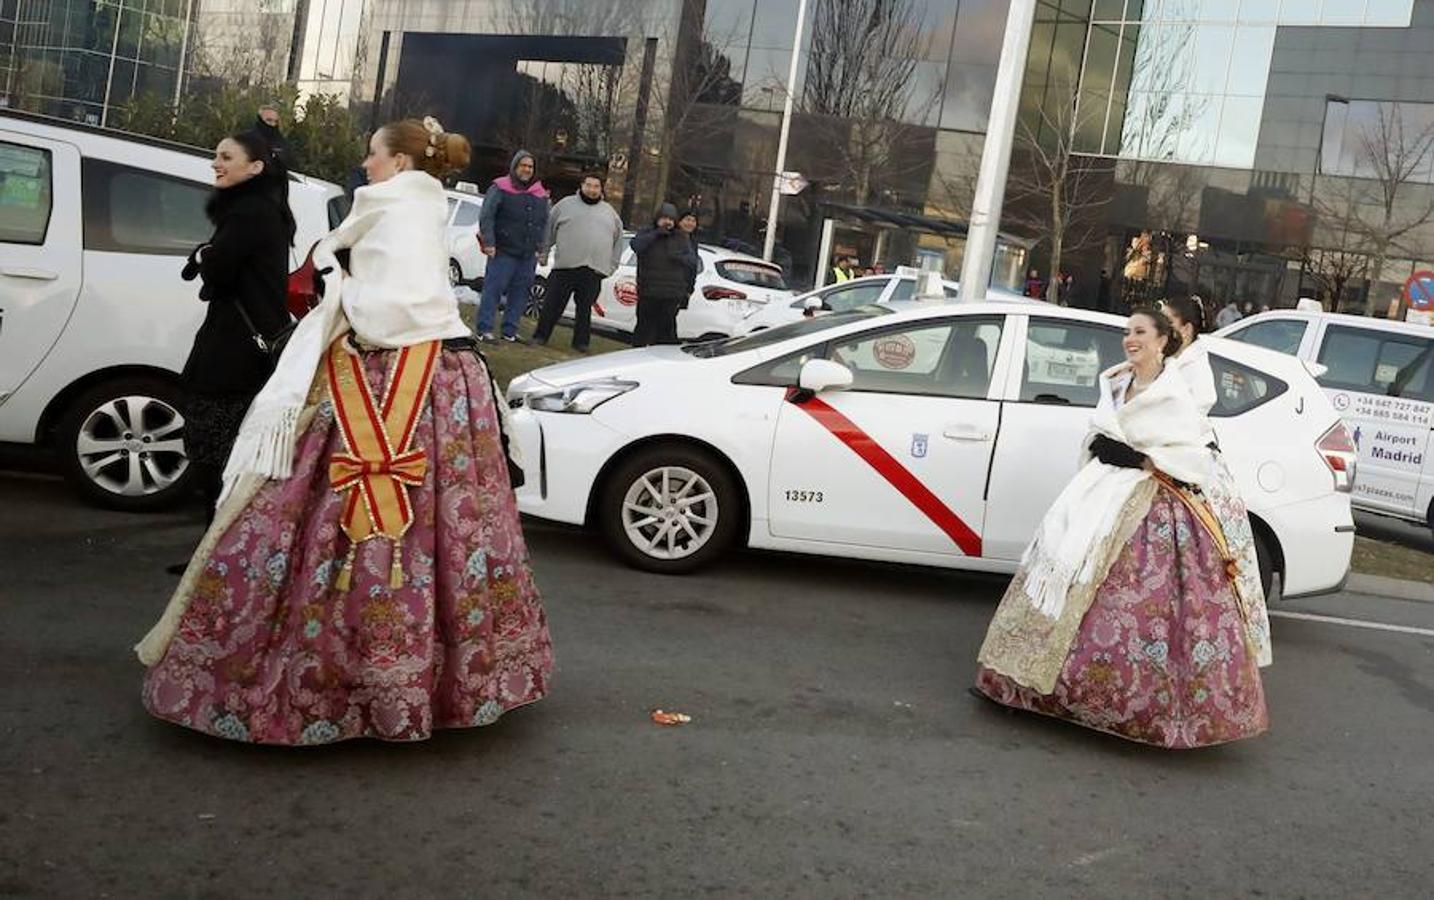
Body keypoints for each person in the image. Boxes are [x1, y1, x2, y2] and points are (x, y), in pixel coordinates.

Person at [137, 117, 554, 745]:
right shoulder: (425, 205)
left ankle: (318, 680)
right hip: (448, 374)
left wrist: (337, 298)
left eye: (373, 154)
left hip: (386, 370)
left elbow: (385, 305)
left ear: (401, 162)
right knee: (452, 520)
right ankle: (451, 678)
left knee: (303, 508)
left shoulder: (387, 206)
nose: (365, 163)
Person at [973, 306, 1268, 748]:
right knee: (1063, 570)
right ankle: (1027, 687)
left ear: (1162, 341)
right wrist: (1107, 448)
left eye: (1141, 332)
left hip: (1150, 506)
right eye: (1128, 332)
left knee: (1139, 604)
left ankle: (1133, 710)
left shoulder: (1173, 392)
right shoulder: (1115, 383)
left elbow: (1188, 455)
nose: (1131, 339)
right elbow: (1098, 434)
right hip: (1098, 496)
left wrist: (1139, 458)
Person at [176, 130, 294, 533]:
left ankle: (215, 547)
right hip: (246, 347)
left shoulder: (249, 213)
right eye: (216, 155)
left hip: (232, 352)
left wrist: (206, 256)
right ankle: (216, 546)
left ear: (255, 167)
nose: (216, 163)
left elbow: (221, 271)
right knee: (227, 452)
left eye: (226, 157)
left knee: (214, 453)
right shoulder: (264, 209)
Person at [1160, 294, 1272, 670]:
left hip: (1191, 471)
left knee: (1203, 563)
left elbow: (1185, 419)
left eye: (1167, 322)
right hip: (1170, 465)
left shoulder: (1195, 369)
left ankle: (1208, 651)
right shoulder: (1172, 362)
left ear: (1186, 329)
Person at [532, 173, 624, 352]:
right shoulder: (565, 205)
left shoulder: (610, 213)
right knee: (552, 305)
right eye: (588, 185)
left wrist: (612, 266)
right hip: (565, 266)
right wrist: (543, 252)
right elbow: (549, 229)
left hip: (593, 270)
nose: (592, 190)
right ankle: (540, 336)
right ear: (581, 186)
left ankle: (581, 343)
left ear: (601, 189)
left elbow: (618, 241)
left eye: (596, 186)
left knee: (585, 310)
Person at [476, 149, 551, 343]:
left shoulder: (540, 194)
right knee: (493, 290)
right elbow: (487, 216)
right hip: (503, 251)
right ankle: (484, 329)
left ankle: (510, 330)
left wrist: (542, 249)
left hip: (528, 254)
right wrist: (489, 242)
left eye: (530, 167)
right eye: (523, 165)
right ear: (515, 167)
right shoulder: (500, 187)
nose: (527, 170)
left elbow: (545, 223)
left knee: (520, 293)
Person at [630, 203, 696, 347]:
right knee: (643, 328)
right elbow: (636, 246)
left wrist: (678, 257)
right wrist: (656, 234)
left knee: (665, 331)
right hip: (649, 290)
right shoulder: (647, 233)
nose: (668, 222)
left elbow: (692, 261)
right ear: (657, 219)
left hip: (672, 293)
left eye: (671, 219)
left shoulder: (681, 237)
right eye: (664, 218)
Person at [253, 103, 293, 168]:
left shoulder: (283, 143)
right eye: (269, 120)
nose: (273, 124)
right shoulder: (248, 140)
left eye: (275, 121)